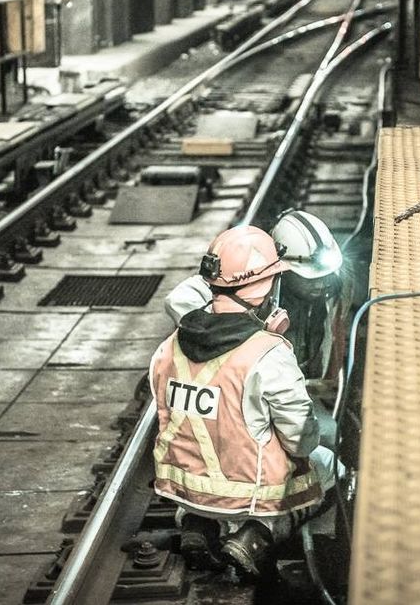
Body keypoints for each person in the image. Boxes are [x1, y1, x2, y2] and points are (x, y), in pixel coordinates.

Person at [149, 225, 339, 578]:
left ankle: (197, 525)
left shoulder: (169, 347)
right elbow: (301, 439)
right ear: (267, 286)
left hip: (183, 486)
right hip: (247, 494)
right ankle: (256, 537)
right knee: (329, 466)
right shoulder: (267, 354)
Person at [164, 210, 343, 377]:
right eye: (311, 278)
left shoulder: (329, 291)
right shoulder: (249, 284)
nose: (322, 284)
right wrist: (228, 334)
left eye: (325, 276)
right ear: (282, 268)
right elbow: (178, 300)